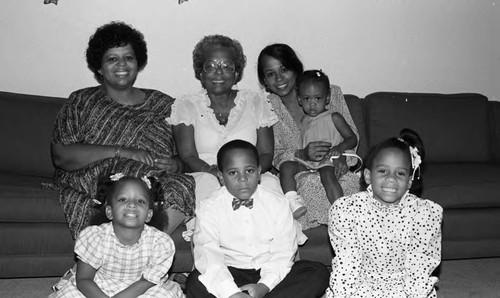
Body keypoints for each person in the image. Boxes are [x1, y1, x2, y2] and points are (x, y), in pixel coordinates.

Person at [51, 21, 195, 237]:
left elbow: (187, 154)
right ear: (99, 67)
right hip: (99, 177)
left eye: (128, 58)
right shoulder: (81, 101)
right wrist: (123, 152)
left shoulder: (165, 105)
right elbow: (61, 156)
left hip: (155, 180)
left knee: (182, 186)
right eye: (112, 59)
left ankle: (142, 251)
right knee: (127, 187)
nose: (122, 65)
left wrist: (176, 163)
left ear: (138, 63)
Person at [185, 140, 329, 298]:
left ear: (259, 172)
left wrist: (264, 286)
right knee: (195, 282)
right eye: (233, 172)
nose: (242, 179)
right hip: (230, 270)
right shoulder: (209, 206)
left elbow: (283, 252)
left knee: (317, 272)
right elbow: (208, 253)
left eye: (249, 171)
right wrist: (231, 293)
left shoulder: (277, 202)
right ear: (221, 176)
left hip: (270, 271)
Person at [326, 129, 442, 297]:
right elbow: (347, 263)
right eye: (383, 171)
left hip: (405, 286)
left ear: (409, 181)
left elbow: (420, 264)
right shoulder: (347, 210)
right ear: (367, 175)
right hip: (362, 283)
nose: (391, 178)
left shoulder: (423, 213)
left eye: (400, 173)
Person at [257, 43, 360, 230]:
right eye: (271, 74)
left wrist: (342, 156)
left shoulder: (330, 91)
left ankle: (344, 218)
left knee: (341, 181)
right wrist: (302, 153)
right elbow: (274, 153)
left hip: (335, 167)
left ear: (296, 68)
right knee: (306, 185)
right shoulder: (266, 106)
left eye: (284, 69)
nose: (279, 78)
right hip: (299, 175)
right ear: (264, 80)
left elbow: (352, 135)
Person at [168, 34, 279, 206]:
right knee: (208, 186)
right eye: (210, 66)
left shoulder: (256, 101)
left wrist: (250, 174)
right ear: (200, 73)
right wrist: (214, 172)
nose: (218, 72)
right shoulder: (186, 105)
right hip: (206, 174)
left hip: (249, 174)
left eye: (226, 66)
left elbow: (266, 153)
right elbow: (188, 155)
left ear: (236, 73)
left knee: (269, 184)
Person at [50, 174, 183, 298]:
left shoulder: (160, 243)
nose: (132, 204)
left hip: (140, 289)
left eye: (140, 201)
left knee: (163, 295)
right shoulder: (96, 237)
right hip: (98, 285)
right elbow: (84, 279)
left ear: (149, 215)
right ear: (109, 212)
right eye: (123, 199)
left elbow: (146, 282)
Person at [279, 70, 357, 218]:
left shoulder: (333, 117)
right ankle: (293, 201)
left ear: (327, 98)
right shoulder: (304, 122)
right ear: (300, 100)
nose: (312, 104)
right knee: (286, 166)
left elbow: (352, 138)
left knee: (327, 174)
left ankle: (342, 211)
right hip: (310, 163)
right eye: (307, 99)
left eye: (318, 98)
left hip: (329, 160)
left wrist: (339, 149)